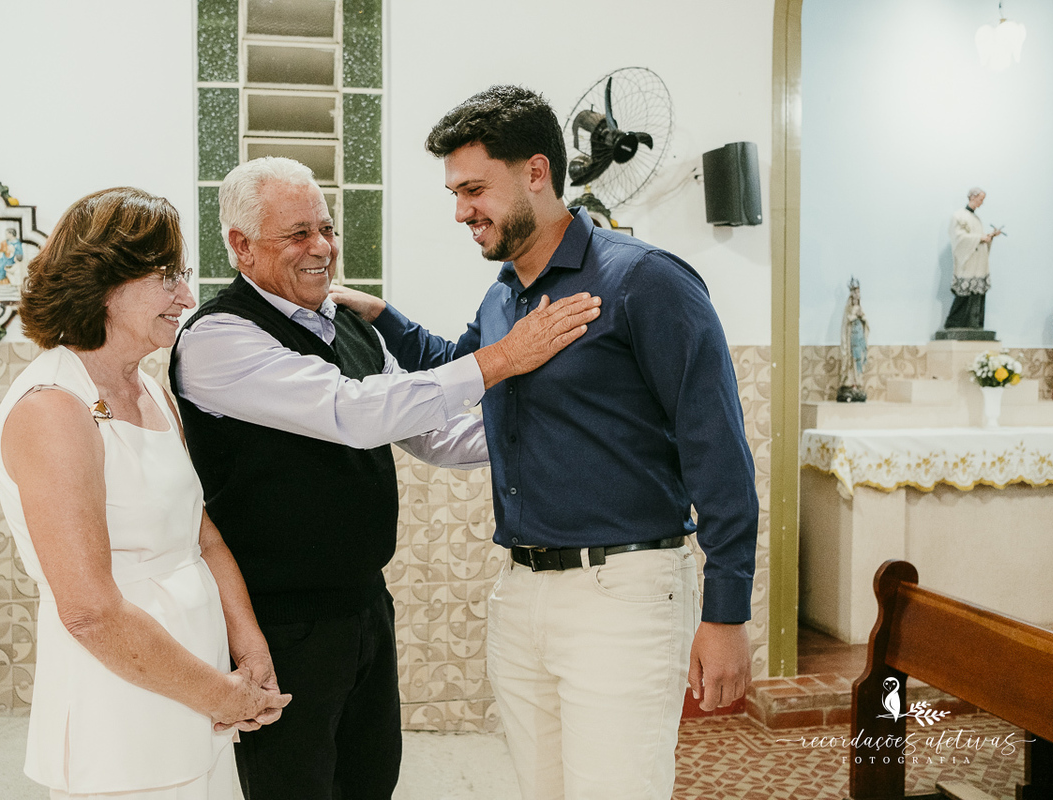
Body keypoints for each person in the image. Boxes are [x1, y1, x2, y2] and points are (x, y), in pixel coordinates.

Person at [332, 85, 758, 800]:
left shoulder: (644, 282)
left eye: (474, 189)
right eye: (455, 193)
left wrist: (726, 612)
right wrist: (383, 317)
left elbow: (717, 450)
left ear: (536, 172)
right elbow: (456, 362)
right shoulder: (505, 295)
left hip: (623, 593)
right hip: (521, 591)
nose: (463, 211)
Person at [168, 156, 600, 800]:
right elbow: (355, 413)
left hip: (365, 606)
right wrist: (505, 357)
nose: (322, 248)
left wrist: (573, 438)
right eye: (297, 235)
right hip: (280, 623)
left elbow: (433, 432)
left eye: (326, 228)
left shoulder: (346, 323)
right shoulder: (217, 338)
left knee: (370, 782)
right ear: (241, 245)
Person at [0, 187, 291, 799]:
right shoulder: (53, 408)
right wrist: (221, 695)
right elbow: (89, 611)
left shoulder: (148, 391)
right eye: (165, 278)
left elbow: (199, 533)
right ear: (102, 282)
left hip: (196, 686)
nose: (185, 297)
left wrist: (249, 646)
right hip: (121, 703)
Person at [945, 187, 1001, 330]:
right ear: (972, 197)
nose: (982, 203)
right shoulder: (959, 216)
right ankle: (955, 325)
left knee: (977, 294)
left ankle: (975, 324)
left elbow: (979, 238)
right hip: (967, 263)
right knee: (964, 295)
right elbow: (958, 238)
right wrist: (979, 238)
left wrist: (989, 237)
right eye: (981, 199)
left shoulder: (976, 218)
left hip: (979, 263)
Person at [837, 278, 869, 402]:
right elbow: (847, 322)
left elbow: (866, 322)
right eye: (855, 292)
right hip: (851, 343)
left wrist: (863, 318)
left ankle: (857, 384)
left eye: (858, 292)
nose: (857, 294)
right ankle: (850, 385)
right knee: (851, 363)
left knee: (858, 363)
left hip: (859, 340)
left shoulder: (860, 307)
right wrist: (855, 315)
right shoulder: (848, 309)